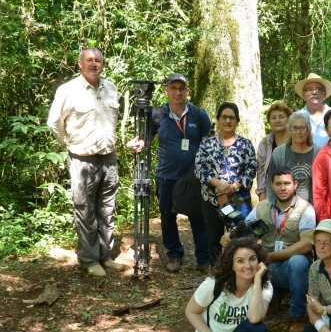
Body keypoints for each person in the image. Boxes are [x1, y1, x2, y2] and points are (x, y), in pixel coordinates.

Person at [47, 47, 124, 278]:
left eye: (98, 60)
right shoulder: (68, 90)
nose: (94, 64)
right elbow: (54, 123)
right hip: (82, 159)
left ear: (102, 64)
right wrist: (70, 144)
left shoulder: (110, 88)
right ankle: (90, 259)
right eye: (89, 60)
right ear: (80, 63)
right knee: (85, 209)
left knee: (107, 208)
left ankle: (104, 255)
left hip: (108, 157)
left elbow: (114, 119)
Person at [125, 73, 212, 273]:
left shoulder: (199, 114)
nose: (177, 92)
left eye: (181, 88)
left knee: (199, 218)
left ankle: (203, 260)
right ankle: (174, 255)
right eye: (173, 88)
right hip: (166, 176)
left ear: (187, 91)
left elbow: (208, 144)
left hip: (193, 177)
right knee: (167, 218)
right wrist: (138, 142)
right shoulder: (157, 115)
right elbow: (147, 139)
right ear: (166, 91)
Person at [244, 167, 315, 332]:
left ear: (295, 185)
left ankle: (297, 315)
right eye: (278, 184)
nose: (283, 188)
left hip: (289, 266)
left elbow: (306, 245)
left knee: (298, 262)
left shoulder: (306, 209)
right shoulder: (262, 207)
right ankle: (255, 305)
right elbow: (244, 231)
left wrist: (270, 257)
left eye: (287, 183)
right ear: (272, 186)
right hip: (265, 266)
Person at [195, 102, 257, 262]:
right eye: (224, 117)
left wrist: (234, 186)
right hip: (212, 200)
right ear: (218, 119)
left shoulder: (246, 145)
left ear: (237, 121)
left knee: (239, 236)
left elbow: (251, 169)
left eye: (232, 118)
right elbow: (199, 168)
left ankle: (240, 273)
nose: (228, 121)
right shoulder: (206, 144)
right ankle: (216, 276)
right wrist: (216, 183)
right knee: (214, 238)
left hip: (238, 200)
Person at [265, 111, 320, 204]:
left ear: (309, 130)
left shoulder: (319, 153)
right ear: (289, 130)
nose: (298, 132)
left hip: (311, 209)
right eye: (294, 128)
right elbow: (271, 181)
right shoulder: (278, 153)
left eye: (302, 128)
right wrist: (271, 205)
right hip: (284, 208)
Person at [256, 101, 293, 201]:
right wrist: (262, 195)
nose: (277, 120)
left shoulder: (296, 140)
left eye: (281, 117)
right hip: (272, 191)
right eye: (273, 118)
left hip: (294, 191)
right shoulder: (265, 143)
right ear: (269, 122)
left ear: (289, 120)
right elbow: (261, 171)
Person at [294, 73, 331, 146]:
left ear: (324, 95)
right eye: (309, 89)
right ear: (303, 95)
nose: (314, 92)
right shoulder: (296, 117)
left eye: (319, 89)